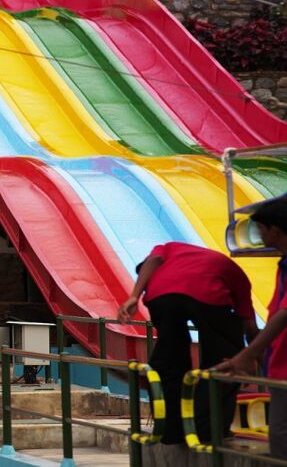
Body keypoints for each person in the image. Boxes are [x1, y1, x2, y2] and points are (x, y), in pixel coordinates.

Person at [119, 242, 257, 445]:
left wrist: (134, 296)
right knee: (224, 360)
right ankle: (207, 431)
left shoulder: (165, 252)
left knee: (168, 360)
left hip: (161, 297)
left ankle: (169, 430)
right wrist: (251, 357)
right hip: (208, 293)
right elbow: (249, 325)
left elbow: (154, 260)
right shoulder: (184, 252)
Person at [216, 196, 287, 458]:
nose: (257, 234)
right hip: (278, 364)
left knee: (281, 437)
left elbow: (284, 314)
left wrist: (246, 354)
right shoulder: (283, 264)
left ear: (275, 230)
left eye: (260, 228)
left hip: (284, 368)